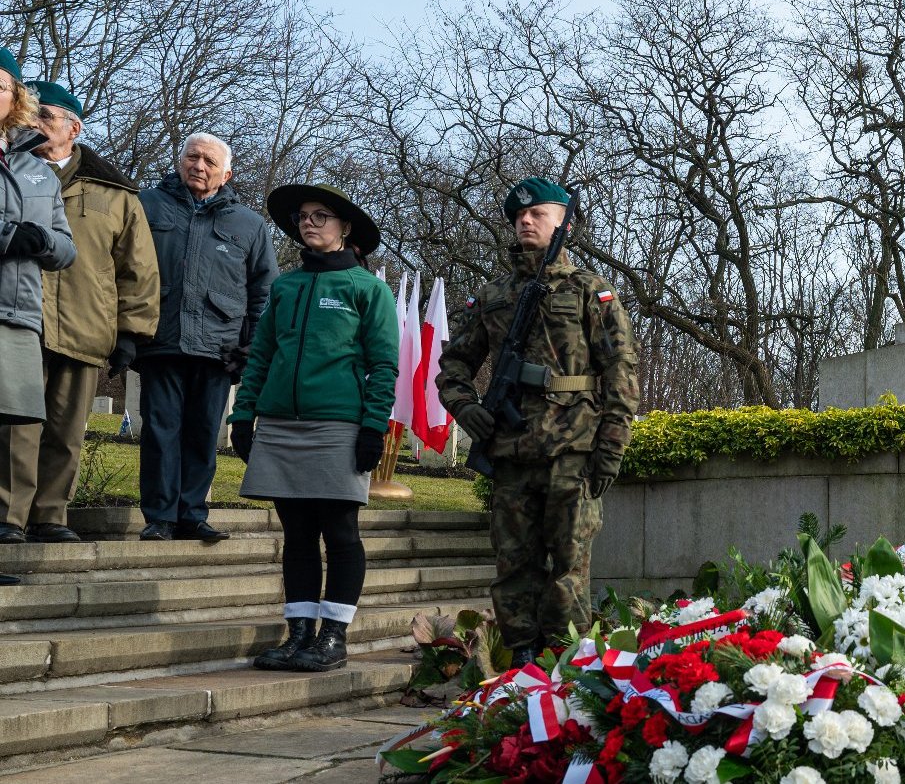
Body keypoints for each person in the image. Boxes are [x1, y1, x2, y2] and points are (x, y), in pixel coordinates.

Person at [437, 178, 639, 662]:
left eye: (538, 214)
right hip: (512, 452)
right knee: (513, 567)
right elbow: (453, 366)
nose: (525, 221)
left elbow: (621, 373)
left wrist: (610, 448)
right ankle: (521, 664)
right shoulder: (492, 295)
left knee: (571, 568)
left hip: (574, 450)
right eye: (519, 216)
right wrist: (466, 408)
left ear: (564, 224)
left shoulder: (592, 291)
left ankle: (566, 666)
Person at [227, 184, 397, 672]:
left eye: (322, 216)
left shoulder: (367, 289)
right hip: (281, 425)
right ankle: (299, 633)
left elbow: (384, 365)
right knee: (297, 533)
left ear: (345, 229)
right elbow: (262, 356)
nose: (309, 222)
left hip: (338, 425)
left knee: (340, 531)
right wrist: (243, 415)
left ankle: (333, 637)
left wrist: (371, 427)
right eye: (304, 216)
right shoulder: (285, 286)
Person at [0, 80, 158, 545]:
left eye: (47, 116)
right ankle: (9, 516)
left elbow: (138, 269)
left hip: (85, 323)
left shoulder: (116, 193)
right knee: (18, 426)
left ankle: (50, 516)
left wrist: (130, 332)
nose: (36, 123)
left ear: (75, 128)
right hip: (23, 319)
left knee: (66, 430)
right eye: (33, 114)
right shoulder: (18, 170)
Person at [136, 133, 278, 542]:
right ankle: (160, 516)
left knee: (202, 432)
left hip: (219, 348)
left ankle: (192, 514)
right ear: (179, 161)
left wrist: (251, 348)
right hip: (161, 338)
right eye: (192, 157)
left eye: (209, 161)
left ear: (226, 173)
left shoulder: (249, 224)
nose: (199, 166)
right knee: (161, 430)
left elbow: (263, 291)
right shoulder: (147, 206)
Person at [0, 49, 77, 433]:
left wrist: (40, 239)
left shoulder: (39, 172)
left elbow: (66, 247)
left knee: (10, 430)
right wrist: (8, 236)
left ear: (16, 98)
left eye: (0, 85)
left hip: (18, 315)